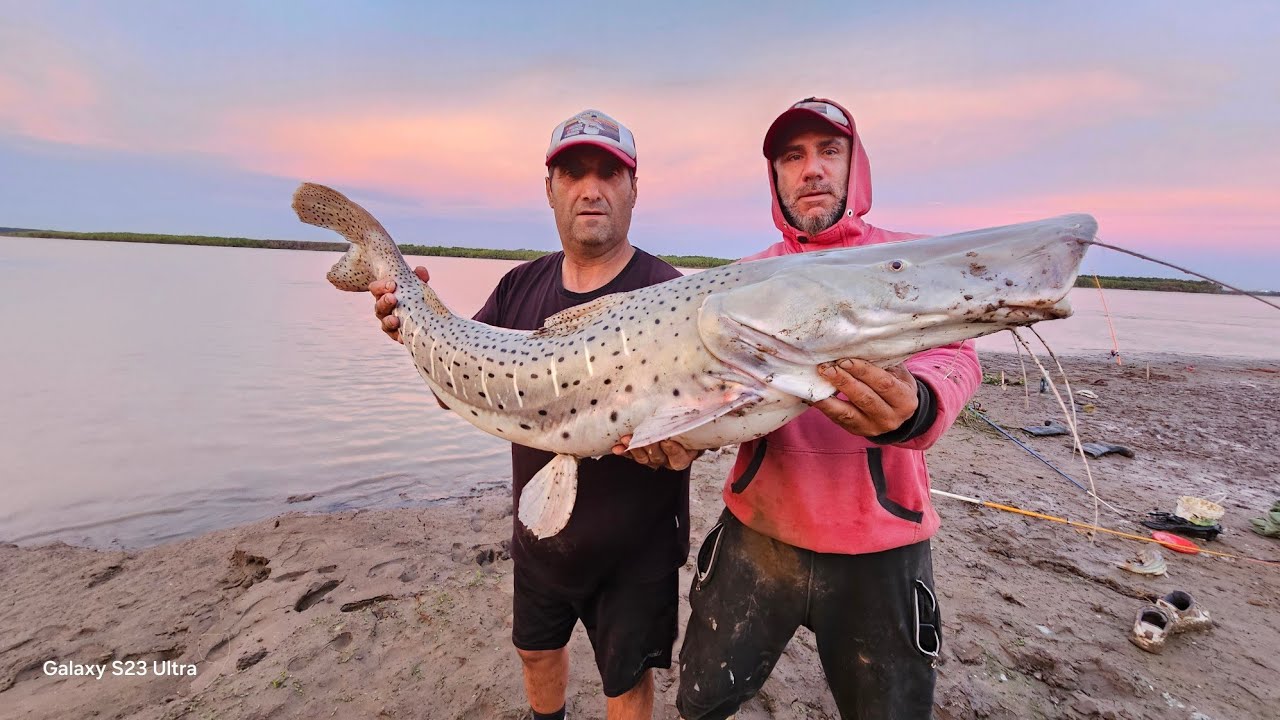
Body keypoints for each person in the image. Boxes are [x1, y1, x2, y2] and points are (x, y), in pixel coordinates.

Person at [372, 110, 697, 720]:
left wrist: (690, 439)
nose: (590, 188)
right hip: (540, 537)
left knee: (626, 682)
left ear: (634, 187)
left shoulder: (668, 292)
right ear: (550, 188)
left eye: (609, 172)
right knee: (534, 651)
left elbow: (700, 416)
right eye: (573, 173)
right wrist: (415, 334)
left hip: (638, 550)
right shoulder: (519, 287)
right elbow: (458, 392)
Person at [675, 98, 982, 720]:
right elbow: (695, 385)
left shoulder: (906, 261)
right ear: (776, 178)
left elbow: (955, 354)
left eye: (828, 151)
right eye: (793, 156)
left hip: (883, 544)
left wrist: (919, 405)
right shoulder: (741, 278)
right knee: (701, 701)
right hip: (759, 530)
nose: (811, 169)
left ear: (854, 167)